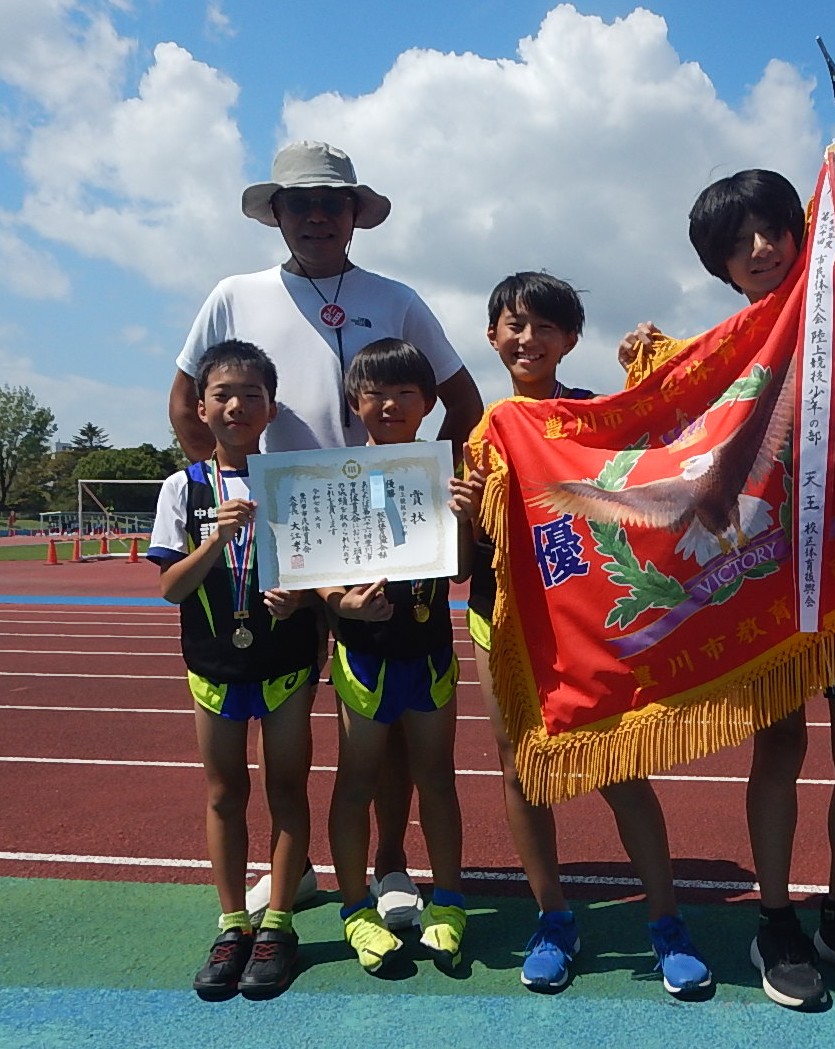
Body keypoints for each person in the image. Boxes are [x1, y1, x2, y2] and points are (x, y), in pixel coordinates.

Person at [619, 169, 835, 1009]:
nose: (761, 248)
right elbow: (663, 459)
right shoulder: (721, 360)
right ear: (719, 266)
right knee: (778, 748)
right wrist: (643, 375)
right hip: (764, 585)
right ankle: (775, 919)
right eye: (739, 242)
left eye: (774, 228)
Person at [168, 140, 483, 928]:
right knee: (293, 719)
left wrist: (416, 481)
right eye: (299, 204)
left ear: (355, 215)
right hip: (284, 537)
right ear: (275, 214)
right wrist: (222, 478)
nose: (315, 216)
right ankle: (297, 866)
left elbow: (464, 401)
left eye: (331, 204)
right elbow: (183, 401)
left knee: (382, 719)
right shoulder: (232, 295)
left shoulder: (397, 296)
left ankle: (388, 865)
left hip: (385, 542)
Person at [466, 272, 710, 996]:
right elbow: (464, 557)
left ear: (571, 340)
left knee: (618, 764)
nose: (527, 338)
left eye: (544, 326)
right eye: (513, 324)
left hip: (587, 618)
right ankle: (553, 918)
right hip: (503, 618)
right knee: (522, 769)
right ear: (492, 337)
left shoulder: (597, 414)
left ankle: (666, 921)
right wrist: (467, 508)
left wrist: (657, 362)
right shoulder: (484, 433)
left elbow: (669, 442)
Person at [148, 340, 318, 999]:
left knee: (287, 790)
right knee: (224, 792)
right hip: (214, 664)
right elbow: (171, 588)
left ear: (270, 408)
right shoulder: (182, 487)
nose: (237, 404)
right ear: (201, 406)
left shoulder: (295, 481)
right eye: (223, 393)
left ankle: (277, 921)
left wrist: (300, 594)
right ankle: (232, 922)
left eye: (251, 394)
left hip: (284, 663)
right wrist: (214, 538)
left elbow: (318, 572)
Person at [319, 338, 477, 974]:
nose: (389, 404)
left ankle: (451, 902)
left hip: (430, 651)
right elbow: (318, 572)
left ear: (428, 402)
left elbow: (462, 571)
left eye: (404, 392)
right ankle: (356, 910)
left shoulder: (443, 472)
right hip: (363, 656)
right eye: (375, 394)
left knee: (437, 779)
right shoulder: (333, 477)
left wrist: (464, 517)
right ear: (356, 404)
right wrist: (344, 606)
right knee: (355, 782)